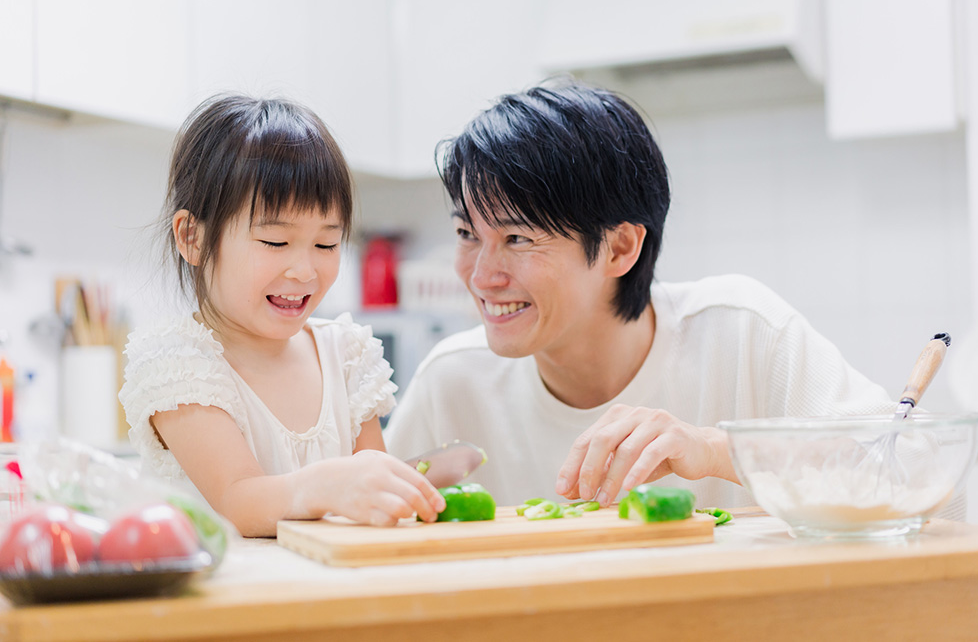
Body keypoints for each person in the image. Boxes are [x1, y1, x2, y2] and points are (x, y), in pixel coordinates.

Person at [385, 80, 895, 510]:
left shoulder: (740, 331)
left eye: (518, 239)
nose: (481, 275)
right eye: (467, 234)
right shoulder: (453, 380)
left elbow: (910, 475)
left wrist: (719, 450)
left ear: (619, 247)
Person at [119, 94, 445, 537]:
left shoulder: (345, 354)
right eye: (275, 242)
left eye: (327, 244)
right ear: (192, 236)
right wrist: (328, 485)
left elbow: (372, 493)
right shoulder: (178, 363)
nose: (305, 270)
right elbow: (237, 500)